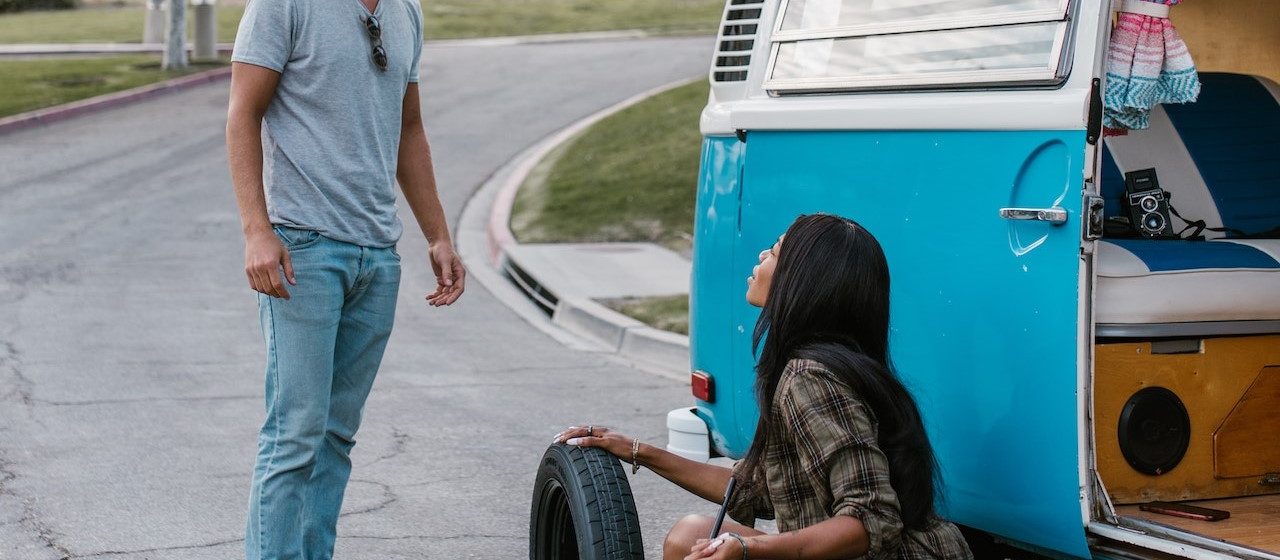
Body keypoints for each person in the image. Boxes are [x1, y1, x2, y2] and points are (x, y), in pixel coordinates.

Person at [555, 214, 972, 560]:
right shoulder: (821, 367)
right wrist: (637, 450)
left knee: (698, 540)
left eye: (774, 252)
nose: (761, 256)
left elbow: (871, 519)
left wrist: (751, 548)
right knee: (691, 536)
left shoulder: (810, 378)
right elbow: (755, 488)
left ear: (801, 281)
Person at [225, 0, 465, 557]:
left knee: (334, 437)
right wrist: (256, 230)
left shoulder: (405, 11)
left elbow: (409, 127)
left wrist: (438, 234)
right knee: (295, 434)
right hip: (302, 250)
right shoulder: (284, 6)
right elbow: (242, 113)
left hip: (377, 257)